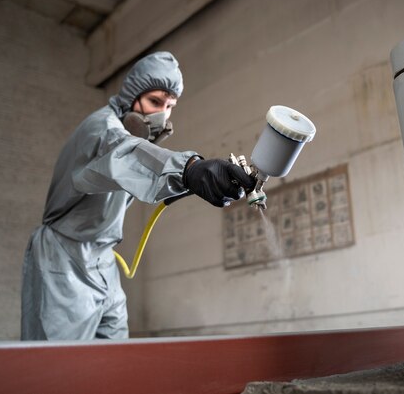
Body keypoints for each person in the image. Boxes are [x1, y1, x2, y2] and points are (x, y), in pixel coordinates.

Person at [21, 51, 255, 340]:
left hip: (103, 260)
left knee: (115, 360)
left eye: (170, 106)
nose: (162, 114)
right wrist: (189, 170)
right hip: (66, 258)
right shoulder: (102, 129)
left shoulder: (129, 137)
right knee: (59, 371)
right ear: (132, 96)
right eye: (155, 102)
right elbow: (123, 152)